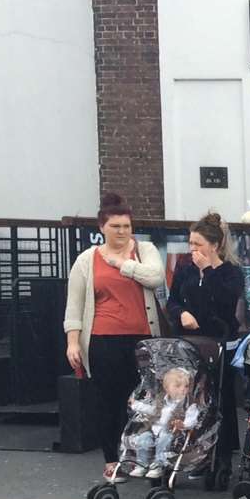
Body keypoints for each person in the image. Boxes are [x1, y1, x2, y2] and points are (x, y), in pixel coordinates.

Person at [64, 193, 167, 478]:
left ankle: (139, 455)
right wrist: (73, 341)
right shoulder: (86, 260)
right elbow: (74, 306)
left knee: (143, 400)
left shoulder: (144, 250)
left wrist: (122, 265)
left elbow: (156, 277)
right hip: (103, 338)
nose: (122, 232)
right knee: (107, 401)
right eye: (115, 227)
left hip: (142, 338)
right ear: (102, 228)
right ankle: (112, 460)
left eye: (126, 226)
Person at [167, 211, 244, 341]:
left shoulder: (232, 272)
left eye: (198, 244)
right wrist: (182, 313)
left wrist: (207, 269)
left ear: (214, 246)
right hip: (188, 338)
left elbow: (226, 300)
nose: (192, 248)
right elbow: (172, 301)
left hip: (220, 339)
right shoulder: (185, 268)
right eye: (191, 243)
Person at [123, 366, 201, 479]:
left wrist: (184, 425)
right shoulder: (162, 400)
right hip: (155, 430)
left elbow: (192, 418)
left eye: (186, 386)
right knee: (143, 437)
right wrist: (135, 404)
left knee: (164, 439)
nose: (183, 389)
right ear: (167, 388)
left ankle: (158, 465)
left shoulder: (189, 404)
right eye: (178, 386)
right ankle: (142, 464)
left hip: (174, 433)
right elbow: (152, 410)